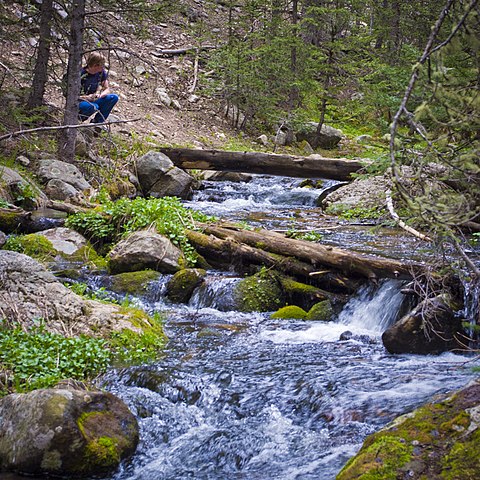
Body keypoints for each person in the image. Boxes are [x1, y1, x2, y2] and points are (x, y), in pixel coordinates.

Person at [78, 52, 119, 125]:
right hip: (81, 102)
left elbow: (106, 88)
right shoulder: (81, 74)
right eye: (101, 65)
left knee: (113, 98)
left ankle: (97, 122)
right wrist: (87, 97)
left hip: (94, 99)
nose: (102, 67)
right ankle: (79, 118)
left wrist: (101, 95)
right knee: (94, 106)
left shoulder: (101, 73)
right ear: (95, 65)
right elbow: (73, 96)